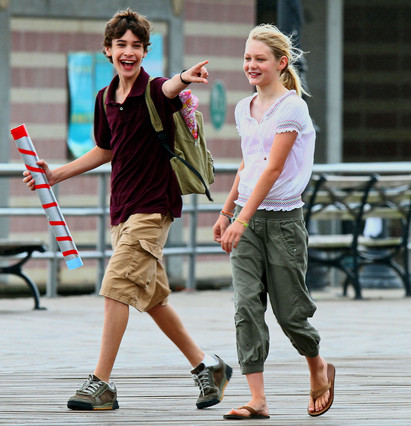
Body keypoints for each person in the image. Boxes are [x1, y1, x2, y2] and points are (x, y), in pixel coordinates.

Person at [22, 8, 232, 411]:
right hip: (121, 209)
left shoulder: (153, 91)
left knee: (116, 286)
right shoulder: (105, 99)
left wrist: (185, 78)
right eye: (122, 45)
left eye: (137, 46)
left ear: (145, 52)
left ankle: (101, 383)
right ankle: (209, 365)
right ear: (108, 50)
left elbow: (171, 88)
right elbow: (106, 149)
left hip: (153, 208)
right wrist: (56, 174)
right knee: (153, 299)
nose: (129, 52)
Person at [212, 24, 335, 420]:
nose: (251, 65)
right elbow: (248, 165)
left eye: (259, 58)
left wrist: (240, 221)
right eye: (247, 58)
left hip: (282, 222)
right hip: (247, 218)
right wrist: (226, 211)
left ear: (281, 63)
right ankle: (257, 398)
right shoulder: (242, 108)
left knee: (290, 312)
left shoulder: (292, 108)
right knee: (246, 306)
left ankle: (317, 365)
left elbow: (273, 168)